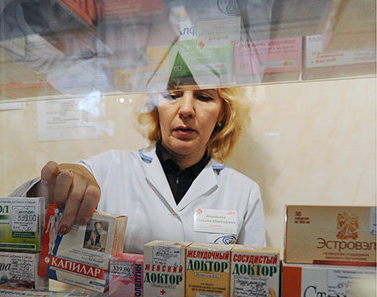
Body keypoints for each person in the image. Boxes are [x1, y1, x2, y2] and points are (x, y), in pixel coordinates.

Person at [17, 86, 266, 253]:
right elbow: (14, 217)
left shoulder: (244, 192)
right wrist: (56, 185)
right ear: (156, 106)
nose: (186, 109)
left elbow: (254, 282)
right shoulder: (108, 169)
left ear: (222, 113)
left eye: (204, 97)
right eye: (173, 94)